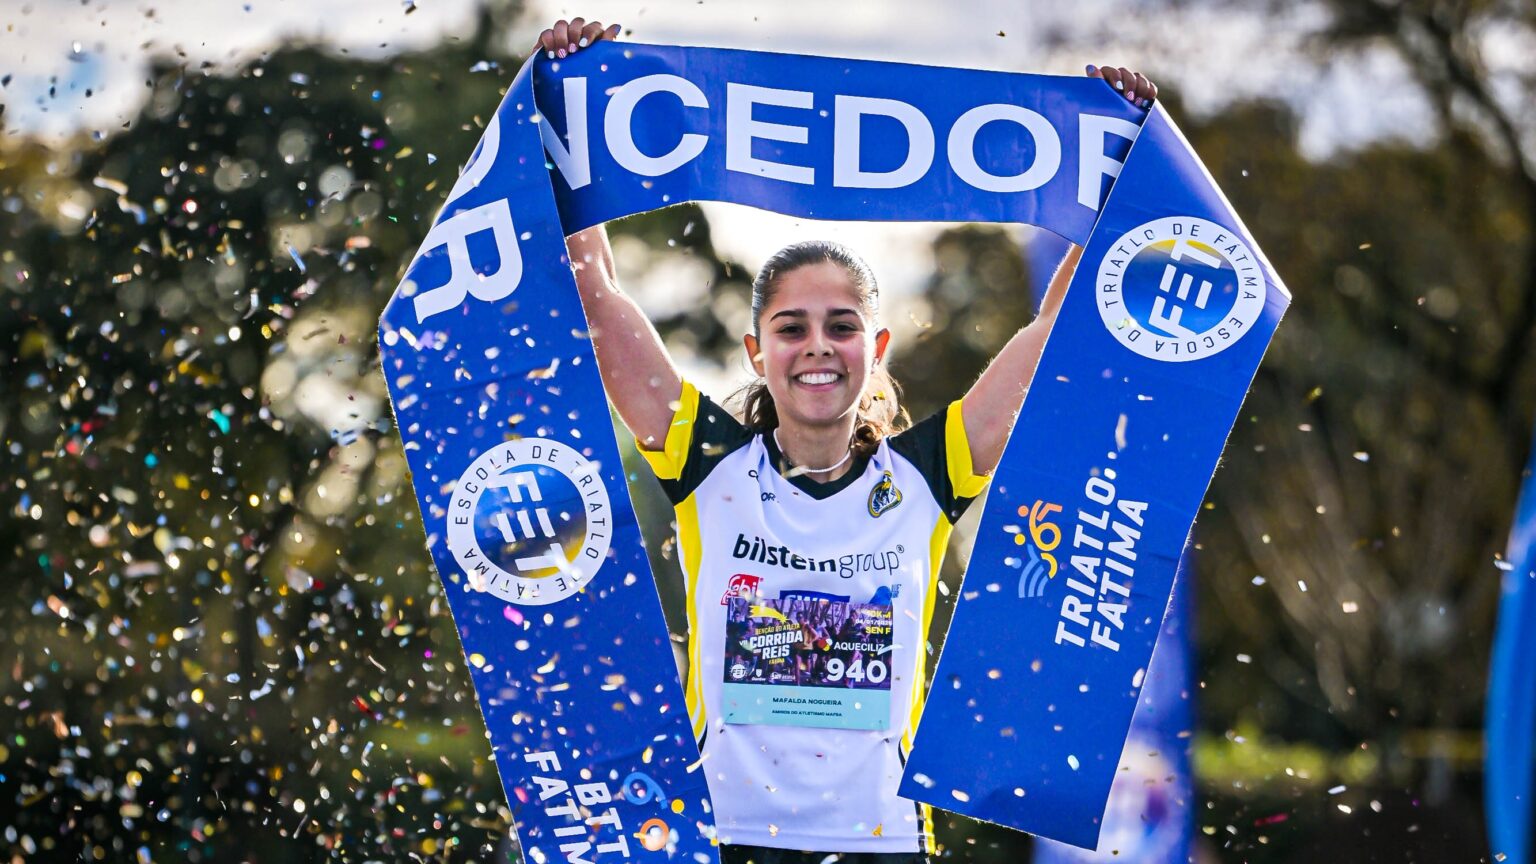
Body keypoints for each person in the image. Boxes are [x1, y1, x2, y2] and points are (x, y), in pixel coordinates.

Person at [535, 19, 1159, 864]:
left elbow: (1059, 333)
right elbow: (598, 301)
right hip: (721, 838)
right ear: (756, 352)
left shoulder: (929, 474)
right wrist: (570, 114)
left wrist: (1117, 174)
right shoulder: (707, 463)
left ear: (877, 348)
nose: (818, 347)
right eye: (791, 328)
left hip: (883, 843)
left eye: (842, 326)